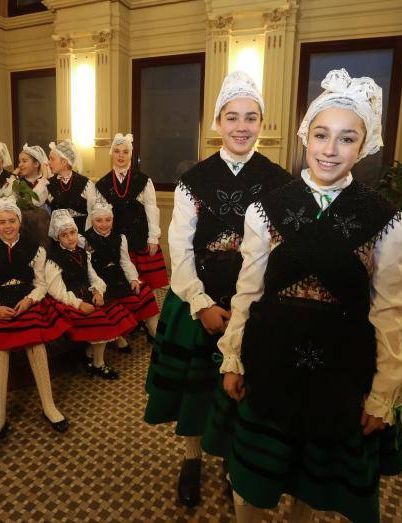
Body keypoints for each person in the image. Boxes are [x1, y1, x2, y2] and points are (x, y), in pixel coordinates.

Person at [210, 69, 402, 523]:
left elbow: (391, 311)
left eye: (346, 138)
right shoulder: (267, 209)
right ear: (306, 137)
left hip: (340, 372)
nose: (330, 149)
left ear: (363, 146)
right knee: (253, 485)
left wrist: (383, 393)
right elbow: (248, 291)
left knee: (310, 485)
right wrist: (234, 358)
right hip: (270, 362)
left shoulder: (386, 220)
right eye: (322, 134)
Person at [143, 70, 292, 508]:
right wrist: (201, 303)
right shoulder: (196, 179)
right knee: (196, 387)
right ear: (217, 123)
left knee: (242, 387)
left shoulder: (281, 179)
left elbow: (284, 247)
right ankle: (192, 458)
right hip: (199, 298)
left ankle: (231, 461)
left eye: (250, 117)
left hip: (257, 303)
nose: (241, 126)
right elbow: (180, 247)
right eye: (232, 117)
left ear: (261, 122)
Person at [0, 196, 72, 451]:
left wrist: (29, 301)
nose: (8, 226)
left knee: (34, 342)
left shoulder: (35, 249)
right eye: (2, 222)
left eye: (12, 221)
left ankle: (48, 406)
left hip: (26, 305)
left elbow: (40, 284)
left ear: (19, 221)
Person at [45, 209, 136, 380]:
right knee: (100, 320)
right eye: (64, 235)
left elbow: (92, 275)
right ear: (58, 238)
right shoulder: (54, 260)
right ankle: (98, 364)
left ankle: (89, 354)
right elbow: (57, 291)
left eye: (73, 232)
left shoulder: (82, 252)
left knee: (113, 310)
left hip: (87, 293)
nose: (70, 238)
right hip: (69, 299)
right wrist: (78, 303)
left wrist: (97, 290)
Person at [83, 200, 160, 353]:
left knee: (144, 292)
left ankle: (154, 333)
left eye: (108, 220)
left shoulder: (120, 237)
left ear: (112, 220)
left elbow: (125, 262)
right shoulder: (84, 239)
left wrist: (133, 279)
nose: (104, 224)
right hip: (101, 280)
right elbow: (87, 268)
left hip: (118, 275)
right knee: (121, 303)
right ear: (92, 220)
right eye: (99, 220)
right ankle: (120, 337)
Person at [95, 133, 168, 290]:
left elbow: (151, 209)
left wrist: (153, 238)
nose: (121, 156)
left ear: (131, 154)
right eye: (117, 151)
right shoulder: (102, 183)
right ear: (111, 154)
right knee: (121, 284)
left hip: (139, 237)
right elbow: (99, 215)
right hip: (116, 239)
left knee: (145, 286)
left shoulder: (143, 180)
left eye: (125, 152)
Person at [46, 140, 97, 233]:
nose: (49, 163)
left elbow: (93, 212)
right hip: (59, 236)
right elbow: (35, 202)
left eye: (52, 159)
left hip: (81, 234)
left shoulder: (85, 183)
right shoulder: (48, 184)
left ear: (64, 162)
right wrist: (44, 178)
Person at [16, 143, 50, 207]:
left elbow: (36, 201)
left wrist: (44, 176)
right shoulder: (18, 182)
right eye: (19, 161)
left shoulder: (46, 182)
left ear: (36, 164)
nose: (20, 165)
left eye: (24, 161)